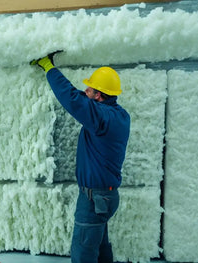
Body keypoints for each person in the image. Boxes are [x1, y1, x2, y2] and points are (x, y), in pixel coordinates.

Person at [32, 54, 130, 263]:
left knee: (83, 253)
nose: (85, 90)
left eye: (90, 88)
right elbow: (81, 99)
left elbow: (72, 99)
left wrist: (49, 67)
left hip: (94, 199)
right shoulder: (120, 115)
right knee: (101, 249)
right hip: (106, 198)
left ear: (99, 96)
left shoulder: (100, 117)